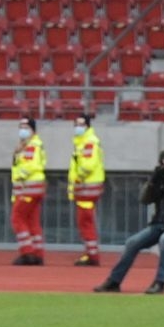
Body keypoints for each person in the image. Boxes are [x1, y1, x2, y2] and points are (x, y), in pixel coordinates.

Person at [93, 148, 164, 295]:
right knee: (132, 242)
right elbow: (144, 199)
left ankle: (160, 283)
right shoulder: (159, 179)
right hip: (160, 224)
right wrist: (154, 181)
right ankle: (114, 281)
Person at [66, 112, 104, 267]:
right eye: (76, 124)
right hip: (84, 189)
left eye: (81, 124)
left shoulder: (89, 142)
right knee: (85, 222)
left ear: (88, 126)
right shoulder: (82, 142)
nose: (78, 127)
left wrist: (78, 177)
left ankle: (92, 255)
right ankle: (90, 253)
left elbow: (87, 166)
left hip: (87, 188)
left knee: (85, 222)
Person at [9, 115, 45, 266]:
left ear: (33, 130)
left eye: (26, 128)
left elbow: (30, 165)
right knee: (32, 220)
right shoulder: (26, 145)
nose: (22, 131)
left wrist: (20, 176)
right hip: (31, 189)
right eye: (21, 128)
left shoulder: (32, 145)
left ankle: (27, 252)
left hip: (28, 188)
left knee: (17, 218)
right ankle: (37, 253)